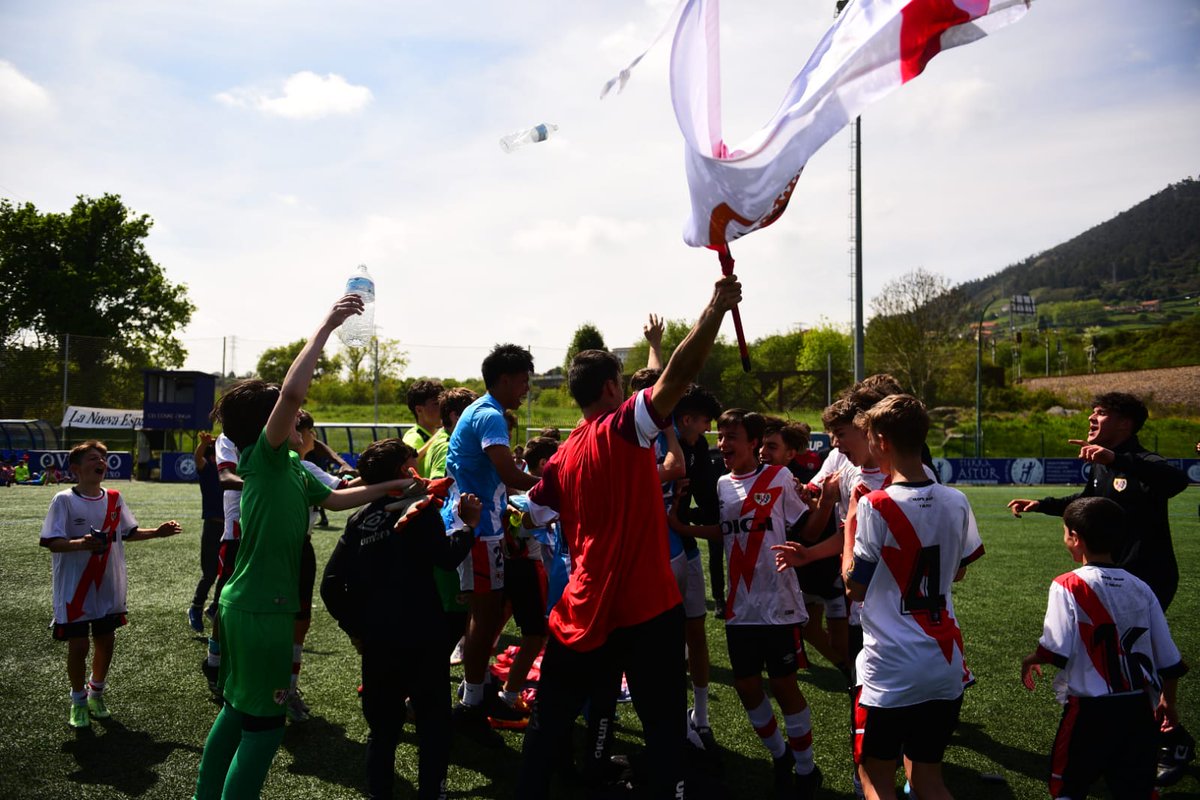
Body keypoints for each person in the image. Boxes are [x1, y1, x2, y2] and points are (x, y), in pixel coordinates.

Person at [516, 274, 742, 800]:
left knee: (549, 724)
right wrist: (714, 309)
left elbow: (532, 515)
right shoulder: (621, 428)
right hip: (644, 605)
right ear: (614, 390)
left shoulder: (562, 455)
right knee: (663, 728)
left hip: (583, 606)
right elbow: (676, 379)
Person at [193, 295, 416, 800]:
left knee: (236, 709)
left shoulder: (290, 468)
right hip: (262, 610)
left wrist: (398, 488)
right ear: (273, 423)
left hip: (248, 605)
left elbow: (337, 499)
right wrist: (328, 326)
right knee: (265, 727)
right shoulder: (265, 457)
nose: (300, 424)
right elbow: (291, 397)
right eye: (293, 419)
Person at [786, 394, 982, 800]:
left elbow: (854, 588)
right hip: (944, 660)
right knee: (929, 777)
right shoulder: (956, 500)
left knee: (875, 775)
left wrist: (852, 523)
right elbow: (959, 571)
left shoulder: (874, 504)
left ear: (880, 440)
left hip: (891, 665)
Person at [1006, 391, 1193, 784]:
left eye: (1102, 413)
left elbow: (1178, 480)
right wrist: (1042, 504)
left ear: (1125, 424)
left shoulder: (1139, 461)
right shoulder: (1099, 464)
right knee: (1115, 661)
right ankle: (1127, 742)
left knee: (1136, 661)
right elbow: (1087, 501)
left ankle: (1170, 739)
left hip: (1147, 577)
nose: (1092, 417)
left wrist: (1116, 459)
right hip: (1112, 578)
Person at [674, 409, 822, 799]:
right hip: (741, 607)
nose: (723, 444)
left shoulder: (779, 477)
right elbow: (723, 532)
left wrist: (825, 503)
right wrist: (681, 525)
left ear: (754, 443)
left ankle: (806, 771)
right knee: (746, 686)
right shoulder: (723, 484)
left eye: (731, 436)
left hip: (780, 604)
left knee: (785, 685)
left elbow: (807, 527)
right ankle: (780, 755)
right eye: (720, 436)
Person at [321, 438, 480, 800]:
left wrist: (357, 629)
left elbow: (331, 586)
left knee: (383, 730)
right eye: (414, 459)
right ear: (403, 471)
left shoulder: (360, 519)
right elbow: (445, 557)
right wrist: (468, 526)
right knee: (433, 725)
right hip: (423, 634)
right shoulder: (420, 510)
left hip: (378, 639)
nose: (419, 465)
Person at [1020, 496, 1188, 800]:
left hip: (1089, 712)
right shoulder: (1141, 587)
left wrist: (1031, 658)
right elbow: (1170, 660)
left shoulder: (1067, 584)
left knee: (1068, 790)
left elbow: (1055, 649)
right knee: (1135, 791)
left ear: (1074, 537)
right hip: (1138, 711)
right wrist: (1168, 702)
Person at [40, 440, 182, 728]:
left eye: (103, 458)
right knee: (78, 646)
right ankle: (78, 701)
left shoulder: (115, 498)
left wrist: (157, 532)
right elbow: (52, 542)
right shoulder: (64, 500)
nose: (101, 462)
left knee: (106, 641)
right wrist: (82, 543)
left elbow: (128, 533)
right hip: (75, 589)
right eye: (93, 458)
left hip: (107, 586)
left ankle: (97, 692)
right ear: (77, 469)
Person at [444, 344, 539, 744]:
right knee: (484, 617)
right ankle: (472, 702)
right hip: (478, 531)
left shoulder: (483, 410)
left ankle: (473, 695)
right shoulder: (489, 414)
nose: (526, 389)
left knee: (484, 615)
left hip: (483, 528)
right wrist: (562, 486)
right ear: (503, 379)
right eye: (522, 381)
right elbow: (509, 472)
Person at [494, 435, 559, 724]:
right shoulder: (535, 492)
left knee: (493, 625)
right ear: (545, 463)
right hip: (528, 567)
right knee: (536, 634)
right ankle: (508, 696)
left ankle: (478, 686)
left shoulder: (517, 492)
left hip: (511, 565)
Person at [188, 431, 224, 634]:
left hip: (230, 528)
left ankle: (214, 607)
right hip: (213, 526)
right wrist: (203, 444)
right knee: (210, 573)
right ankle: (196, 607)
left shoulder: (232, 469)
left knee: (228, 572)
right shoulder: (208, 467)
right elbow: (197, 458)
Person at [403, 379, 445, 477]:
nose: (442, 407)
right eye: (436, 404)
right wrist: (435, 440)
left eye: (442, 402)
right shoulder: (414, 437)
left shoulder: (436, 434)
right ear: (419, 410)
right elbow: (405, 465)